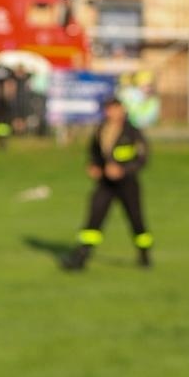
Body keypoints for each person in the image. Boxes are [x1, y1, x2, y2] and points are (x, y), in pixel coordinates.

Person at [62, 95, 154, 270]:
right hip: (105, 184)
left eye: (114, 109)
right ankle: (81, 257)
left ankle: (144, 255)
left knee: (136, 220)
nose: (111, 113)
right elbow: (93, 153)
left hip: (127, 184)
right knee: (94, 218)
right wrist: (94, 166)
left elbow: (143, 158)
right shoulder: (101, 130)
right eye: (108, 109)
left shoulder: (132, 132)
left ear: (122, 110)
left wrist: (123, 170)